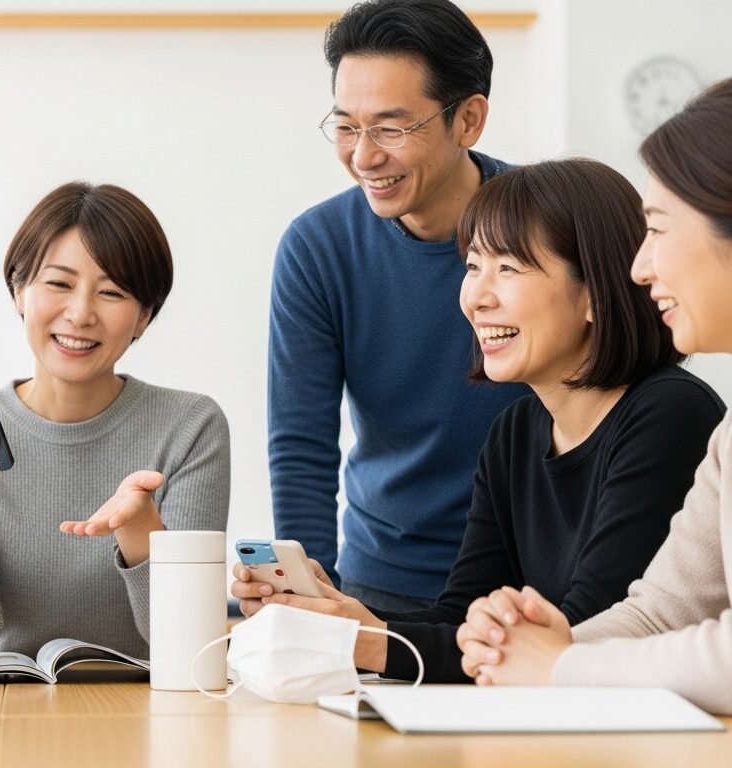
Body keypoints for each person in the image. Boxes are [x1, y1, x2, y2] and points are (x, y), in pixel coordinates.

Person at [233, 159, 725, 682]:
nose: (477, 297)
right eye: (472, 266)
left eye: (508, 268)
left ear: (593, 294)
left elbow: (582, 633)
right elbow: (461, 615)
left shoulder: (670, 415)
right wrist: (343, 618)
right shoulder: (515, 432)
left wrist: (368, 642)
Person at [458, 79, 732, 715]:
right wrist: (533, 651)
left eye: (658, 230)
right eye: (474, 265)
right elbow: (661, 612)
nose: (639, 268)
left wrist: (560, 663)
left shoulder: (672, 412)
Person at [265, 0, 526, 611]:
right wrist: (313, 593)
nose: (363, 156)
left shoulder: (547, 228)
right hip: (385, 582)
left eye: (391, 127)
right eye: (347, 126)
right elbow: (302, 442)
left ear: (469, 120)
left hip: (534, 580)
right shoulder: (318, 247)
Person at [0, 182, 230, 659]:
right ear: (19, 292)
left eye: (112, 292)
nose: (80, 314)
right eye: (58, 284)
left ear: (144, 317)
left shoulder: (190, 426)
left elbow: (189, 648)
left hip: (143, 720)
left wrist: (141, 532)